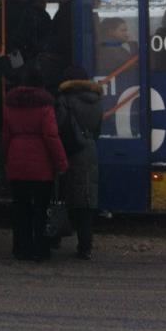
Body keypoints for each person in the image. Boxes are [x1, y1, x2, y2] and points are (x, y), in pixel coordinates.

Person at [3, 69, 68, 261]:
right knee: (41, 208)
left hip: (16, 160)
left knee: (20, 208)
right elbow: (51, 136)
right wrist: (61, 162)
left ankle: (21, 248)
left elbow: (6, 136)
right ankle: (40, 249)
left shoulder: (10, 104)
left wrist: (7, 158)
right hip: (41, 165)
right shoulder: (45, 106)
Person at [54, 66, 103, 260]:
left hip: (68, 150)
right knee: (85, 202)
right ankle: (85, 247)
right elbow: (97, 129)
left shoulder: (64, 100)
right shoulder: (96, 100)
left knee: (61, 197)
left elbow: (59, 126)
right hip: (88, 150)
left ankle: (55, 237)